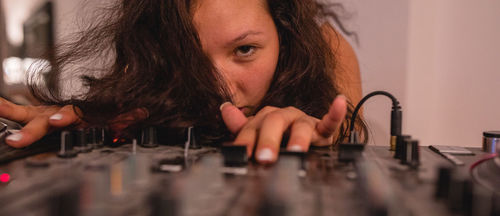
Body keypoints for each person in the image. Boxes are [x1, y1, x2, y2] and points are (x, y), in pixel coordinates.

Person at [0, 0, 366, 164]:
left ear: (285, 35)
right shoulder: (151, 67)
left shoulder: (326, 47)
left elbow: (339, 124)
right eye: (190, 57)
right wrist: (86, 124)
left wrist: (314, 130)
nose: (219, 88)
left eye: (244, 49)